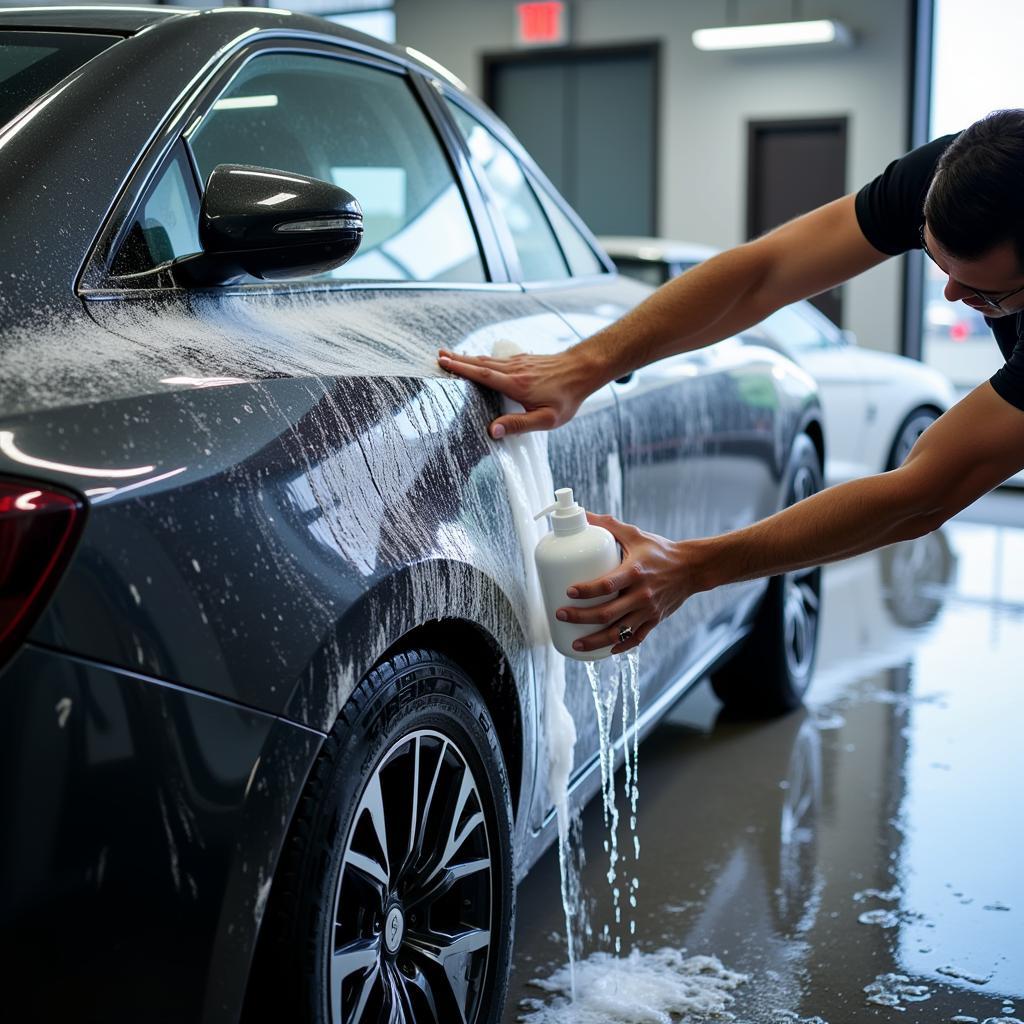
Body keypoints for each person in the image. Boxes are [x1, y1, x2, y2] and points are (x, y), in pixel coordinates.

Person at [437, 110, 1024, 658]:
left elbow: (923, 494)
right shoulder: (968, 173)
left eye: (983, 294)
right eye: (936, 261)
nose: (950, 297)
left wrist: (693, 567)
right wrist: (586, 364)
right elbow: (764, 274)